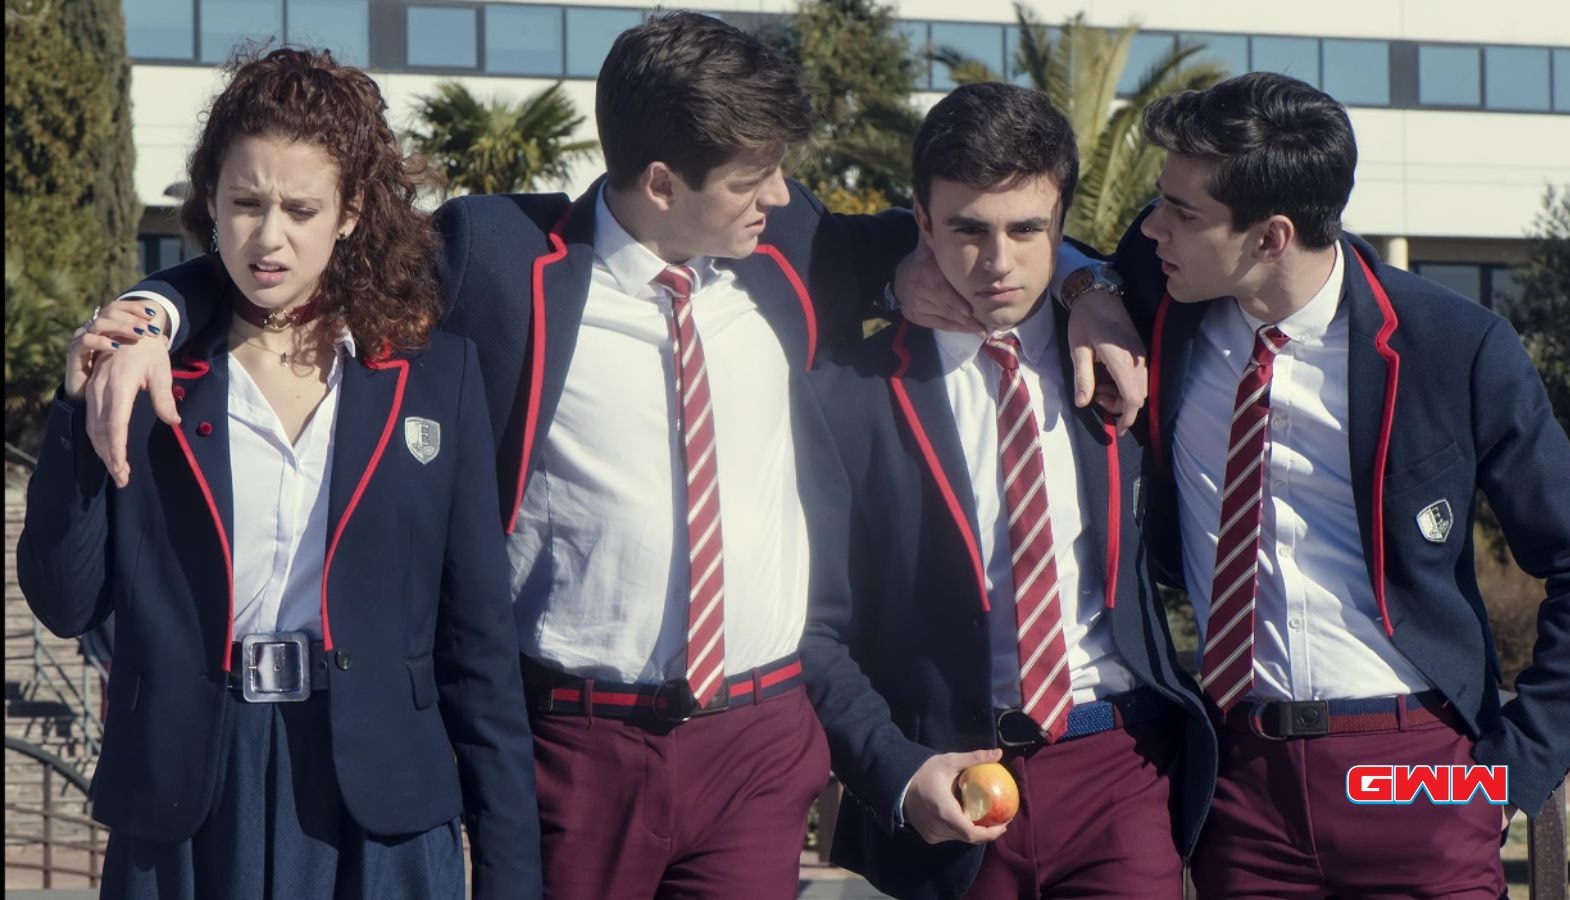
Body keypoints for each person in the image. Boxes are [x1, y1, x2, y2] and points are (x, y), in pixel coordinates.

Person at [76, 15, 1148, 899]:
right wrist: (150, 308)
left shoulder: (784, 257)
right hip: (577, 750)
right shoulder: (502, 263)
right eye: (754, 179)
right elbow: (294, 252)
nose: (778, 199)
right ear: (664, 180)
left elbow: (993, 228)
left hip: (759, 742)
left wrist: (1089, 287)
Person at [18, 48, 540, 899]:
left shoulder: (436, 376)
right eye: (245, 203)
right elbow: (65, 600)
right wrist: (81, 402)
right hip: (188, 790)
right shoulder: (149, 373)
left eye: (301, 208)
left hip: (382, 805)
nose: (269, 238)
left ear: (350, 211)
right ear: (210, 206)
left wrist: (512, 874)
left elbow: (478, 645)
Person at [1116, 71, 1570, 897]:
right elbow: (1025, 245)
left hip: (1417, 772)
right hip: (1241, 779)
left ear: (1271, 236)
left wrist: (1508, 776)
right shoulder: (1167, 294)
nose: (1152, 228)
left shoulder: (1457, 344)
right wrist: (1087, 290)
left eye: (1181, 213)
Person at [798, 82, 1215, 900]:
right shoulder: (844, 395)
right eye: (967, 230)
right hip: (946, 784)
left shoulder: (1126, 351)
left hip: (1120, 766)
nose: (998, 263)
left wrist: (1089, 286)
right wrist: (893, 769)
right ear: (919, 221)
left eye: (1028, 230)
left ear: (1061, 227)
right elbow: (811, 624)